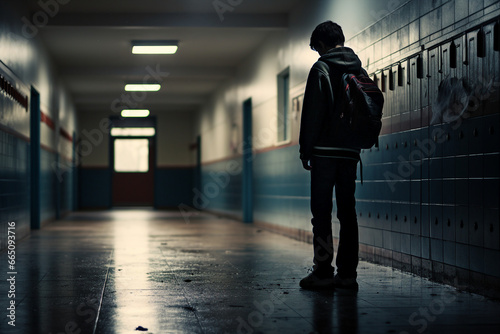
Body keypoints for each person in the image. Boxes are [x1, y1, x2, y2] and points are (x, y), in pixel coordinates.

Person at [299, 21, 365, 290]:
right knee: (348, 212)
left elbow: (313, 113)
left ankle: (323, 271)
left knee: (322, 212)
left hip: (325, 152)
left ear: (322, 45)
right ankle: (348, 274)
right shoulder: (358, 68)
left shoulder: (321, 68)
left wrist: (306, 149)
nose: (317, 53)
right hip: (350, 152)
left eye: (317, 48)